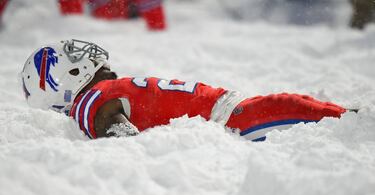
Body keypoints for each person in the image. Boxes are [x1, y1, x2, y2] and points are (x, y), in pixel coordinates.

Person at [20, 39, 347, 141]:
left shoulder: (100, 90)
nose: (87, 55)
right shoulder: (91, 100)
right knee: (321, 117)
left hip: (239, 110)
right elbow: (116, 131)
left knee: (306, 106)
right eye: (74, 57)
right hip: (234, 121)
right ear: (66, 75)